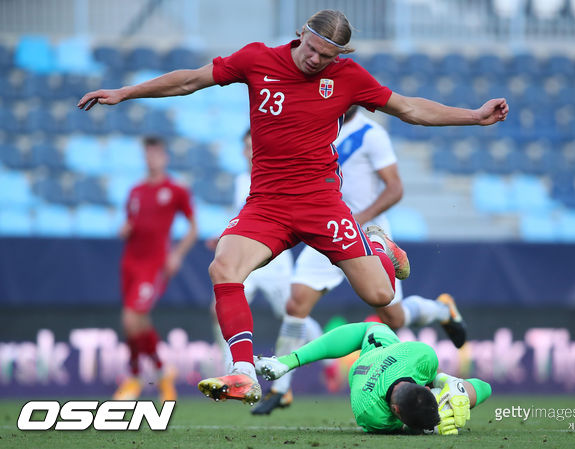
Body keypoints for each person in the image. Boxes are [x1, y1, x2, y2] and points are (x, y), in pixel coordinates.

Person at [77, 9, 508, 405]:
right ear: (301, 33)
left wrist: (473, 116)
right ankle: (243, 371)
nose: (315, 59)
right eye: (312, 48)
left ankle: (379, 247)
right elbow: (191, 80)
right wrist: (126, 92)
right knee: (223, 269)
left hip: (321, 203)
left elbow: (409, 108)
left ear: (340, 55)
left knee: (380, 295)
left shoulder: (348, 77)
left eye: (327, 55)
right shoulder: (257, 59)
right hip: (266, 203)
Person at [252, 106, 466, 414]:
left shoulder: (371, 135)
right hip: (326, 228)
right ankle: (281, 389)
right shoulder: (316, 124)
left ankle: (441, 310)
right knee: (295, 303)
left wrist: (357, 219)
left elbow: (395, 188)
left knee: (393, 318)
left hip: (366, 233)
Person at [206, 130, 322, 388]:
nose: (250, 152)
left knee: (292, 314)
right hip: (247, 259)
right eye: (246, 147)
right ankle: (235, 369)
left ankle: (323, 347)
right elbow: (241, 219)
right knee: (221, 306)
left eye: (253, 145)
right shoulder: (240, 181)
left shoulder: (276, 176)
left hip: (275, 259)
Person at [255, 321, 492, 434]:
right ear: (396, 411)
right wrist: (450, 395)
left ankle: (288, 360)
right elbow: (485, 388)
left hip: (386, 349)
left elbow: (484, 387)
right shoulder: (370, 413)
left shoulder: (422, 355)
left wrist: (452, 386)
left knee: (376, 323)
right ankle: (288, 360)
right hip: (372, 361)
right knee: (391, 313)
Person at [113, 136, 198, 402]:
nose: (152, 158)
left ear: (165, 157)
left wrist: (176, 255)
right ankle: (163, 374)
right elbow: (129, 223)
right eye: (148, 154)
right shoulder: (136, 191)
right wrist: (125, 229)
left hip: (154, 264)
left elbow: (193, 228)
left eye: (156, 154)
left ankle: (135, 377)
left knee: (130, 319)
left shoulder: (175, 190)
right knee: (137, 323)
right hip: (130, 262)